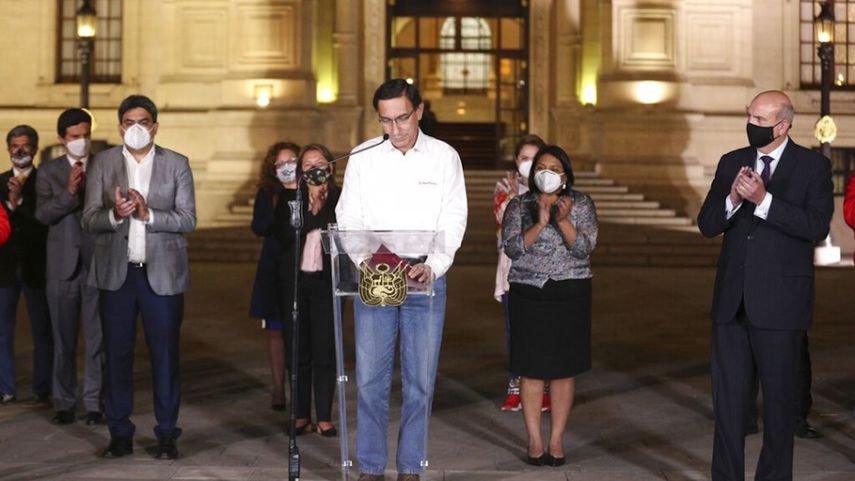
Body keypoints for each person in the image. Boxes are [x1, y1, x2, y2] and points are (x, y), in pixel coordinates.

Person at [697, 90, 833, 481]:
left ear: (783, 125)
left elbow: (815, 226)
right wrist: (733, 199)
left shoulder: (813, 168)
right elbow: (707, 224)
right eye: (749, 117)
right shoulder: (731, 162)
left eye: (760, 120)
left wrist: (764, 200)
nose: (751, 125)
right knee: (728, 408)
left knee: (778, 409)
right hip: (730, 304)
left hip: (780, 305)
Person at [336, 78, 467, 481]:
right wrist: (363, 260)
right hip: (375, 275)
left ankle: (411, 467)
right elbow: (348, 216)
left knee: (420, 383)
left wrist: (436, 264)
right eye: (386, 121)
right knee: (372, 381)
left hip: (423, 276)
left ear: (419, 111)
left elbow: (454, 215)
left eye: (402, 118)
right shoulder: (362, 157)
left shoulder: (444, 157)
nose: (395, 130)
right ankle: (371, 469)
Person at [83, 95, 196, 460]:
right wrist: (115, 215)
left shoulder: (177, 163)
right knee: (116, 355)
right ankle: (119, 433)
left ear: (155, 126)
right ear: (119, 126)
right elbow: (88, 219)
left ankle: (166, 434)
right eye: (129, 121)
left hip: (161, 275)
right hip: (117, 275)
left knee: (165, 355)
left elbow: (188, 219)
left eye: (143, 121)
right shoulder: (101, 164)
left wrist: (149, 215)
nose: (136, 127)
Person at [502, 144, 597, 467]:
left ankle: (556, 440)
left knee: (562, 369)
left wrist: (564, 220)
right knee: (530, 368)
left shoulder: (581, 203)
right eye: (541, 166)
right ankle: (534, 439)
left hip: (570, 290)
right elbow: (513, 248)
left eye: (554, 168)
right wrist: (540, 222)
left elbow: (584, 248)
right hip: (529, 291)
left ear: (566, 175)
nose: (546, 172)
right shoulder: (519, 205)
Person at [35, 108, 103, 425]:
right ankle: (64, 402)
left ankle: (94, 403)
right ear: (63, 139)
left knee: (96, 339)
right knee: (63, 341)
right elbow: (44, 214)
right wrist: (70, 192)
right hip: (61, 266)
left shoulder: (103, 167)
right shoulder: (48, 172)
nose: (82, 141)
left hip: (95, 265)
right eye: (75, 137)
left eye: (86, 135)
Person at [275, 143, 340, 437]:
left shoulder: (341, 198)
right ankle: (300, 414)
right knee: (298, 350)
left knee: (324, 350)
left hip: (327, 283)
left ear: (331, 167)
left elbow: (342, 232)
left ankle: (324, 415)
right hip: (295, 283)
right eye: (307, 165)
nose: (314, 169)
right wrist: (310, 207)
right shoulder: (290, 198)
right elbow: (286, 233)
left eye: (319, 163)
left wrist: (321, 206)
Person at [493, 134, 547, 413]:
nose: (529, 164)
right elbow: (506, 217)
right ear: (516, 161)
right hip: (512, 274)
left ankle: (543, 388)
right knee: (516, 333)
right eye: (524, 158)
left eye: (534, 159)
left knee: (543, 332)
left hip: (547, 274)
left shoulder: (553, 186)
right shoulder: (505, 186)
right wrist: (520, 196)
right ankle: (516, 388)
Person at [0, 125, 52, 405]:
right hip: (4, 269)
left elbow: (46, 222)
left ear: (34, 148)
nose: (20, 151)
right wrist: (9, 205)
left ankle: (42, 389)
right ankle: (5, 388)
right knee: (2, 330)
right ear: (8, 149)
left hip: (37, 267)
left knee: (42, 330)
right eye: (14, 146)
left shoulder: (45, 182)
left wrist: (19, 202)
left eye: (25, 146)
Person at [249, 141, 300, 411]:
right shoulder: (268, 193)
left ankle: (300, 390)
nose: (287, 168)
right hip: (274, 268)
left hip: (303, 268)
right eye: (280, 164)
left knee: (301, 333)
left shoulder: (308, 190)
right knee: (277, 331)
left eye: (291, 161)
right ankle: (279, 388)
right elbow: (259, 227)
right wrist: (278, 205)